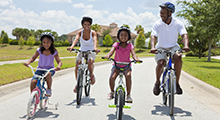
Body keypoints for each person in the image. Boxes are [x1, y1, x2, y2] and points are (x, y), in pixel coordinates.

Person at [150, 2, 190, 96]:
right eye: (160, 12)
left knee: (178, 57)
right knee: (160, 63)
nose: (161, 15)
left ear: (170, 13)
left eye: (163, 13)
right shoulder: (157, 24)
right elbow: (153, 36)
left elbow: (184, 35)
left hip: (173, 46)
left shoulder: (178, 23)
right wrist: (153, 47)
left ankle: (176, 84)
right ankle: (157, 82)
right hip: (160, 47)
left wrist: (186, 45)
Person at [103, 26, 141, 102]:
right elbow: (111, 52)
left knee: (128, 76)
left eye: (125, 35)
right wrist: (107, 56)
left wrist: (136, 59)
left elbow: (133, 54)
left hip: (126, 66)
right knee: (112, 77)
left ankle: (128, 95)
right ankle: (112, 92)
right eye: (121, 35)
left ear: (128, 37)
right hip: (116, 65)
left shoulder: (130, 45)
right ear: (118, 36)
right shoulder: (116, 44)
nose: (123, 37)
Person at [23, 32, 62, 97]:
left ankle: (49, 89)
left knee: (48, 74)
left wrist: (58, 66)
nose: (45, 44)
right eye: (44, 42)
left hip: (50, 69)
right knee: (33, 81)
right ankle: (33, 97)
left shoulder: (54, 51)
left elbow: (59, 61)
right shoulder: (39, 50)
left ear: (51, 42)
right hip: (40, 69)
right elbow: (33, 58)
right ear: (41, 42)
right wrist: (28, 62)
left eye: (47, 42)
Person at [68, 16, 100, 93]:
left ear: (90, 25)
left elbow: (95, 40)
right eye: (85, 24)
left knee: (90, 62)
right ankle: (77, 84)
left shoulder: (93, 33)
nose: (87, 26)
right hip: (82, 50)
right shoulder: (80, 32)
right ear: (82, 24)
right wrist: (72, 47)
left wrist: (95, 48)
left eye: (88, 24)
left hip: (91, 50)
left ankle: (91, 75)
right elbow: (76, 39)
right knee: (77, 63)